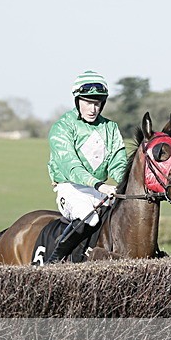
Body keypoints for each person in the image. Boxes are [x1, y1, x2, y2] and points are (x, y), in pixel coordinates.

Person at [47, 70, 128, 234]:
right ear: (77, 101)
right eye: (88, 102)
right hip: (71, 189)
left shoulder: (110, 127)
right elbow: (71, 166)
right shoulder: (62, 127)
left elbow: (118, 164)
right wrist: (99, 185)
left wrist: (128, 183)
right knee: (90, 217)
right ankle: (56, 258)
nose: (93, 109)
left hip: (101, 190)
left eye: (97, 103)